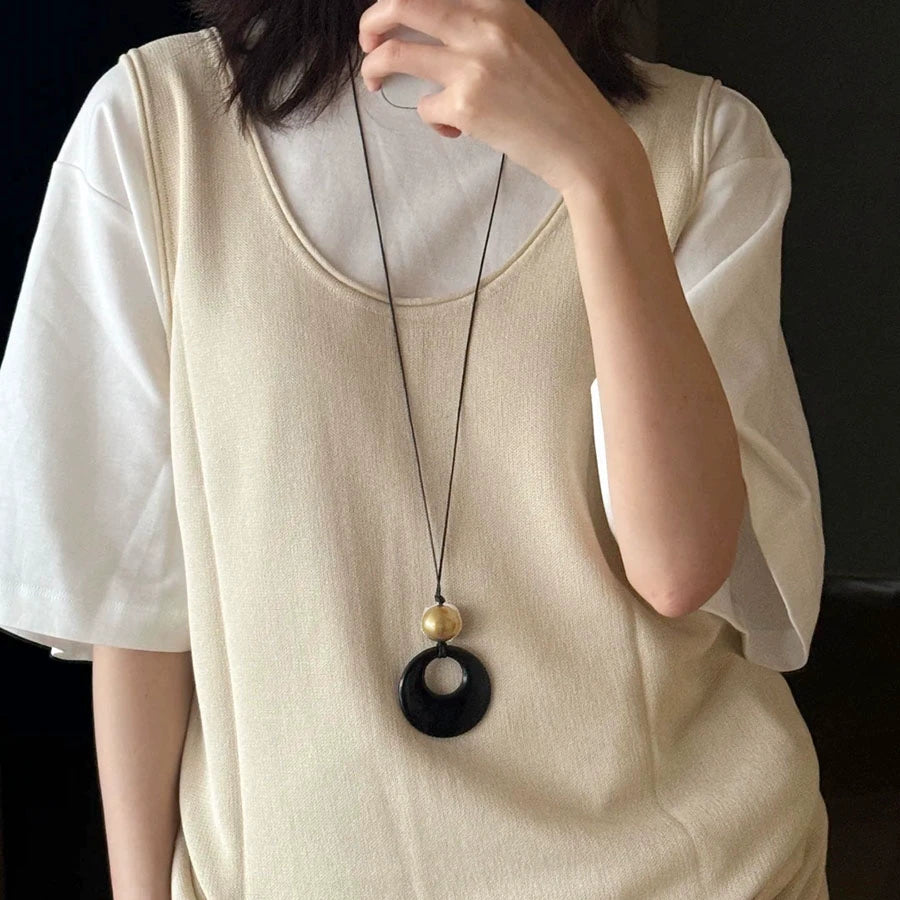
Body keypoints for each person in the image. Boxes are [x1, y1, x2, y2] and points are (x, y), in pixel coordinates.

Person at [0, 1, 830, 897]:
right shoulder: (161, 122)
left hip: (684, 870)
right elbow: (138, 599)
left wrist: (602, 173)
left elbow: (678, 569)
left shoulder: (701, 142)